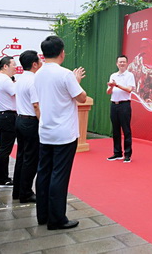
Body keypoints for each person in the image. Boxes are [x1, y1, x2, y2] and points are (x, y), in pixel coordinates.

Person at [34, 36, 86, 230]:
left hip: (45, 131)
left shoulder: (38, 74)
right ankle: (56, 219)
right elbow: (81, 97)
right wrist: (77, 80)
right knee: (59, 175)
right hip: (64, 133)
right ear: (62, 53)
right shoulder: (65, 74)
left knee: (44, 173)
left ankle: (43, 215)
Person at [12, 50, 42, 203]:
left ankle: (17, 191)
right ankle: (25, 192)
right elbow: (36, 105)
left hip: (20, 120)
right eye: (39, 60)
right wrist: (42, 123)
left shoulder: (20, 79)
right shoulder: (34, 80)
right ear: (34, 64)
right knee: (31, 159)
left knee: (21, 157)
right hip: (31, 121)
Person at [0, 56, 17, 188]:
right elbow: (16, 93)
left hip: (2, 115)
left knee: (0, 147)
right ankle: (3, 179)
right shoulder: (6, 80)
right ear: (5, 66)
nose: (16, 68)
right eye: (13, 65)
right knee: (5, 149)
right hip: (8, 116)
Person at [106, 55, 135, 163]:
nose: (121, 64)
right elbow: (108, 92)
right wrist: (111, 86)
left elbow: (129, 89)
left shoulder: (130, 75)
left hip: (124, 105)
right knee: (115, 130)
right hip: (114, 104)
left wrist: (116, 85)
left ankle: (127, 154)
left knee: (126, 130)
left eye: (123, 62)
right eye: (120, 62)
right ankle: (117, 153)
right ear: (116, 63)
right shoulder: (113, 75)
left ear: (127, 63)